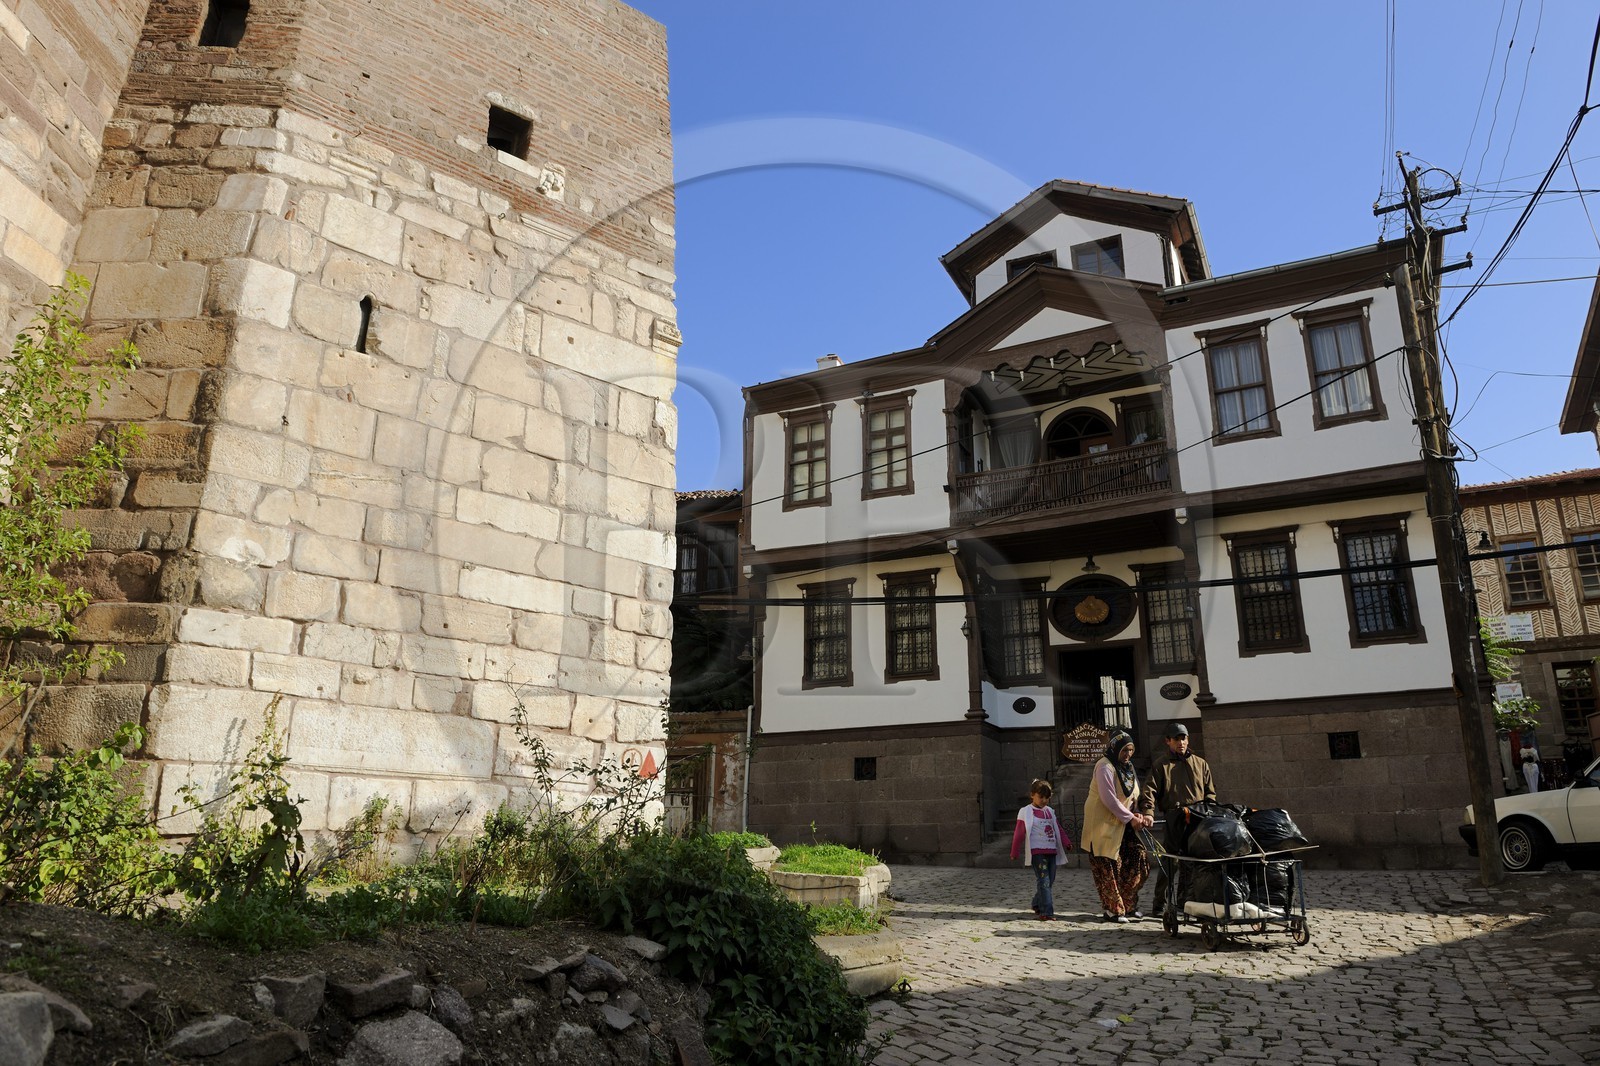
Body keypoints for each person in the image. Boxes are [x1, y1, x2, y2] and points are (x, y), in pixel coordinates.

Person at [1138, 722, 1216, 919]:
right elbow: (1149, 792)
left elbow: (1210, 793)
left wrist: (1211, 811)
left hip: (1199, 818)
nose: (1181, 742)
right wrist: (1148, 811)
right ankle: (1159, 903)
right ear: (1168, 741)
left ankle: (1187, 901)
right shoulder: (1161, 765)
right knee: (1170, 861)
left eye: (1184, 738)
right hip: (1175, 818)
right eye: (1176, 739)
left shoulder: (1201, 763)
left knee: (1196, 862)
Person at [1082, 731, 1153, 923]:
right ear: (1115, 748)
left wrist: (1137, 812)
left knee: (1139, 859)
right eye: (1124, 750)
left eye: (1131, 750)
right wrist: (1130, 818)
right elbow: (1108, 799)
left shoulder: (1128, 767)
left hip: (1123, 822)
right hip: (1103, 823)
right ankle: (1113, 910)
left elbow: (1132, 796)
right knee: (1108, 865)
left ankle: (1128, 904)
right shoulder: (1104, 765)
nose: (1128, 754)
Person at [1010, 778, 1071, 920]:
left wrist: (1066, 841)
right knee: (1044, 880)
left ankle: (1036, 903)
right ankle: (1046, 912)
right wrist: (1015, 851)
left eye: (1047, 798)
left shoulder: (1050, 811)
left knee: (1050, 881)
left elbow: (1058, 829)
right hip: (1037, 852)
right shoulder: (1025, 811)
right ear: (1032, 795)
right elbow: (1019, 833)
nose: (1044, 800)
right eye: (1041, 797)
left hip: (1052, 851)